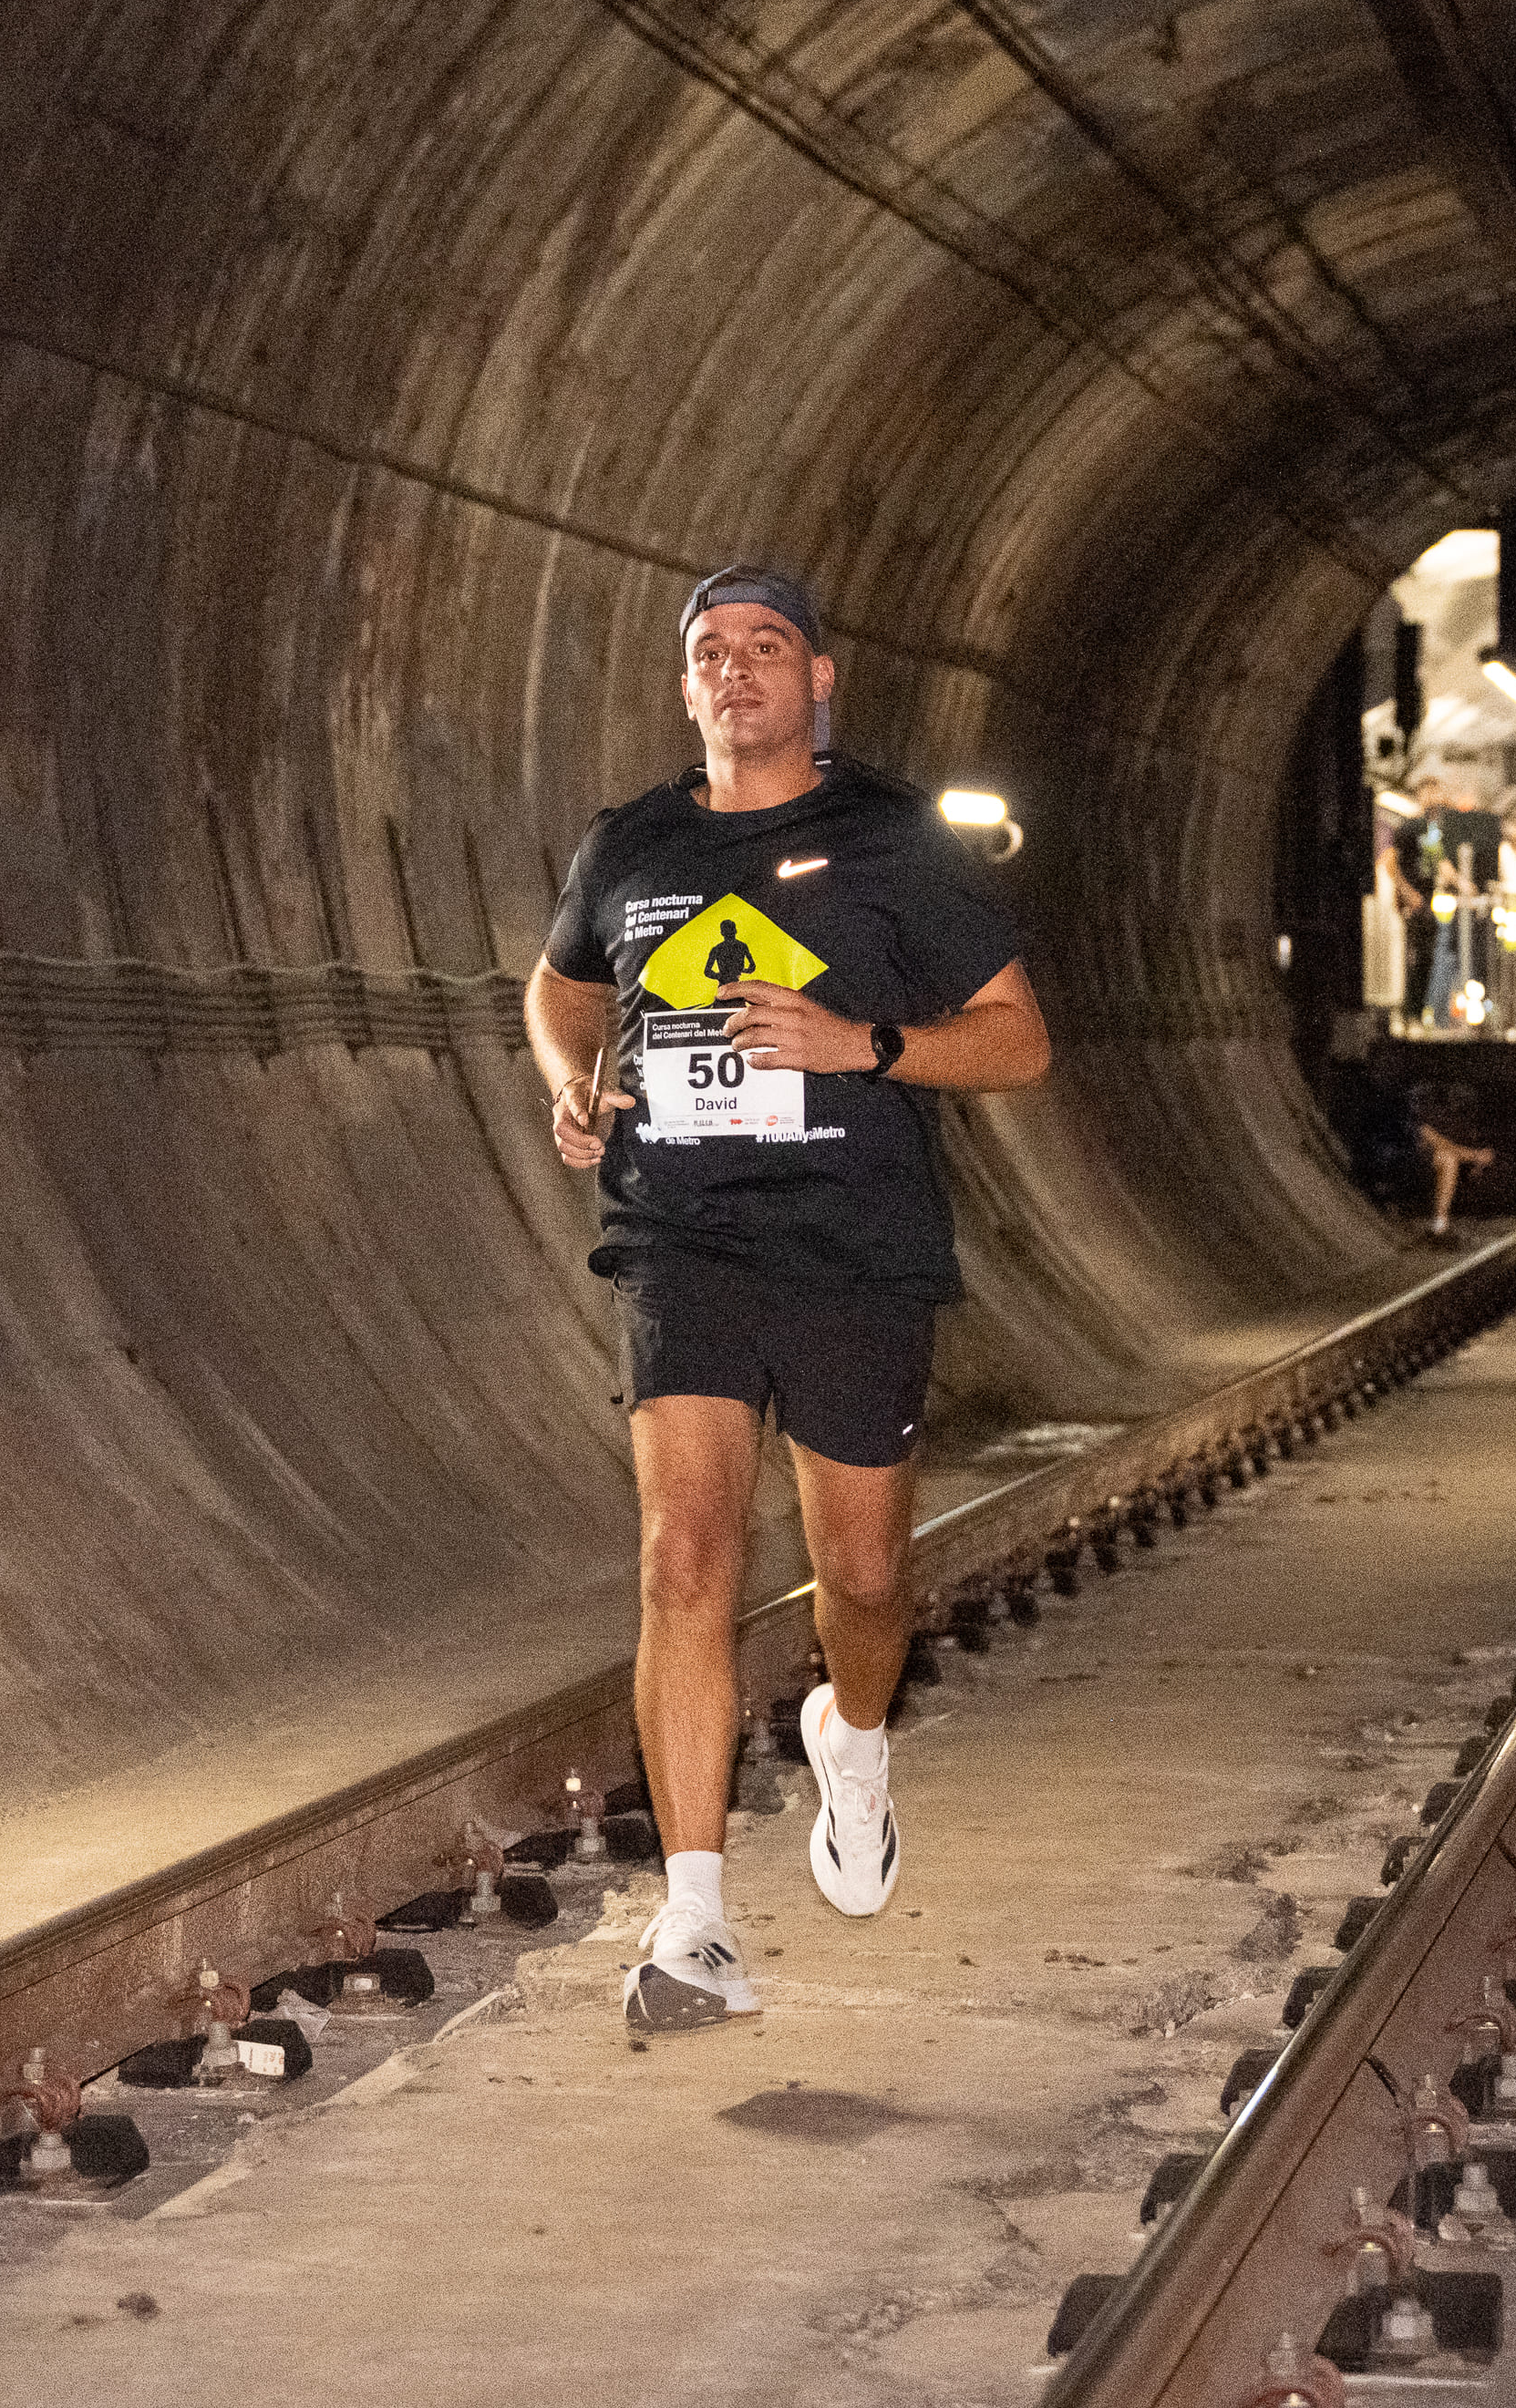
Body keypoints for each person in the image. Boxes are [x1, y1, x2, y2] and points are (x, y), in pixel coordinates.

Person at [528, 565, 1053, 2036]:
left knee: (864, 1586)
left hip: (854, 1243)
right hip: (678, 1237)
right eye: (713, 652)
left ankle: (856, 1730)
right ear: (686, 685)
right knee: (683, 1556)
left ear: (819, 681)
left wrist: (860, 1042)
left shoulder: (891, 840)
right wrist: (577, 1082)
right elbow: (562, 986)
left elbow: (1017, 1045)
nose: (739, 672)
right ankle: (691, 1921)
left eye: (768, 649)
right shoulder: (631, 843)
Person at [1407, 1075, 1497, 1242]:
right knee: (1447, 1158)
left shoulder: (1455, 1121)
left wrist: (1480, 1157)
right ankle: (1440, 1224)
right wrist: (1475, 1156)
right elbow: (1441, 1145)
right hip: (1413, 1165)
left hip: (1449, 1162)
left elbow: (1477, 1145)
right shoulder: (1416, 1122)